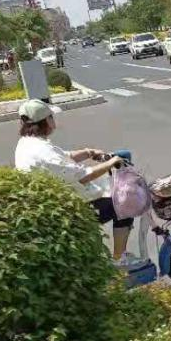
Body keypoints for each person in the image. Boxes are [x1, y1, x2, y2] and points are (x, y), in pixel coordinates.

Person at [13, 99, 133, 261]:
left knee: (108, 192)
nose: (53, 120)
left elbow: (63, 157)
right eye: (51, 117)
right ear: (45, 121)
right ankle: (120, 258)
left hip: (56, 200)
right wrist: (110, 163)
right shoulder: (41, 150)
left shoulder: (28, 143)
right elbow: (82, 176)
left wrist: (88, 152)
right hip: (69, 209)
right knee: (125, 204)